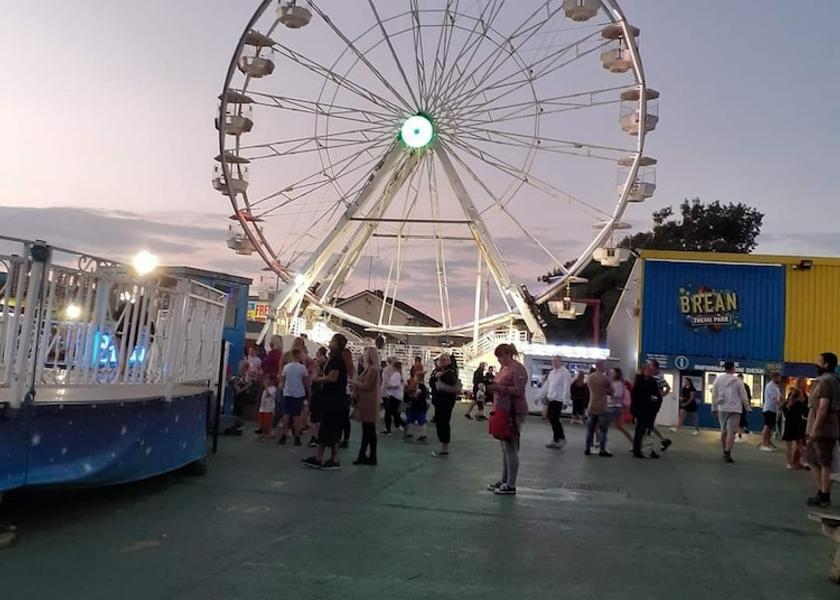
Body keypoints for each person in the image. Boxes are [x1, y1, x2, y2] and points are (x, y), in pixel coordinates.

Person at [302, 334, 349, 470]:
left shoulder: (336, 359)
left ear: (337, 343)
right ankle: (321, 457)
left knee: (329, 427)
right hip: (334, 398)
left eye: (333, 341)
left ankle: (331, 459)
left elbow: (332, 378)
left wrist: (318, 379)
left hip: (333, 399)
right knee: (328, 428)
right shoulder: (336, 358)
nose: (330, 342)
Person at [487, 344, 528, 495]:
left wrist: (500, 389)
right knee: (504, 448)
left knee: (510, 448)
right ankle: (504, 480)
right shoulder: (504, 369)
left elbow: (519, 390)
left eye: (500, 356)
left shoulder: (518, 369)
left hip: (514, 412)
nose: (498, 360)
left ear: (506, 354)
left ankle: (511, 484)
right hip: (502, 410)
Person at [804, 352, 840, 508]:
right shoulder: (823, 381)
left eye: (819, 362)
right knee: (812, 460)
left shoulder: (827, 382)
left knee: (824, 462)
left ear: (826, 365)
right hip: (817, 428)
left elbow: (823, 407)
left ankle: (824, 495)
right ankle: (822, 492)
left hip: (824, 429)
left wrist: (815, 430)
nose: (816, 364)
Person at [711, 361, 750, 464]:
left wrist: (713, 407)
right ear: (733, 368)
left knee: (723, 430)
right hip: (735, 409)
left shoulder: (718, 379)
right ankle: (728, 452)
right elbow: (743, 395)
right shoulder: (738, 380)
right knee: (731, 432)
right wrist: (747, 407)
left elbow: (714, 394)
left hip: (722, 408)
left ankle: (724, 451)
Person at [352, 347, 381, 466]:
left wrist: (354, 382)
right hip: (368, 402)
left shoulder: (372, 369)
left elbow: (366, 386)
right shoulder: (371, 369)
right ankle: (370, 455)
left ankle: (363, 455)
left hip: (368, 402)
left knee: (367, 431)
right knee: (370, 431)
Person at [278, 347, 310, 446]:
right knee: (297, 416)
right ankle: (297, 437)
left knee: (286, 414)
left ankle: (283, 436)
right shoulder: (302, 368)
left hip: (287, 393)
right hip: (298, 393)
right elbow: (306, 382)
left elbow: (282, 380)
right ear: (299, 356)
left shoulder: (287, 367)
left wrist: (284, 387)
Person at [539, 356, 571, 449]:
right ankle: (556, 439)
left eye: (556, 361)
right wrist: (539, 396)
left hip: (559, 400)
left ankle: (561, 438)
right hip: (551, 399)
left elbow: (566, 386)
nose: (554, 363)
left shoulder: (565, 373)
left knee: (554, 418)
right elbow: (546, 386)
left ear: (560, 361)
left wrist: (565, 400)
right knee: (551, 418)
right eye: (553, 361)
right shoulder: (552, 373)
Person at [431, 353, 459, 457]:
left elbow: (451, 382)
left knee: (443, 422)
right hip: (439, 401)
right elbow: (431, 382)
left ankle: (445, 447)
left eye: (444, 360)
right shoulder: (438, 371)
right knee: (440, 422)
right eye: (441, 360)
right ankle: (444, 445)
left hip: (446, 401)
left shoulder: (450, 372)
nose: (441, 362)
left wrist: (440, 377)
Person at [631, 364, 662, 459]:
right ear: (643, 371)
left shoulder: (653, 382)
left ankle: (649, 450)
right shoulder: (639, 382)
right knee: (640, 430)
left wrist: (655, 401)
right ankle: (637, 450)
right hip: (640, 410)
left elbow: (657, 395)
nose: (649, 371)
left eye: (651, 370)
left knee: (649, 431)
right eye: (647, 369)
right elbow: (635, 397)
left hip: (651, 410)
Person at [584, 361, 613, 457]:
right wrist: (606, 390)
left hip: (592, 405)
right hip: (602, 406)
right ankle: (602, 449)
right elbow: (612, 391)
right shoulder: (605, 379)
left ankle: (588, 448)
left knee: (590, 430)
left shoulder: (589, 378)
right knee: (603, 430)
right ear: (601, 366)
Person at [646, 359, 673, 452]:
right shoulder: (651, 376)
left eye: (651, 365)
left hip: (654, 403)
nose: (649, 367)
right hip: (649, 402)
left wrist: (660, 396)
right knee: (650, 423)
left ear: (656, 367)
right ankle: (664, 440)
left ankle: (650, 446)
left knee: (648, 424)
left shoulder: (659, 377)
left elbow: (668, 388)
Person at [782, 378, 808, 470]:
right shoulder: (801, 402)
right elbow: (805, 412)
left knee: (789, 445)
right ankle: (805, 461)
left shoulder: (789, 403)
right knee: (800, 444)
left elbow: (785, 410)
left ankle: (789, 463)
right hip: (798, 423)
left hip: (789, 423)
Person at [307, 346, 328, 447]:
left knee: (314, 417)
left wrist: (315, 375)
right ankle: (318, 437)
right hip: (322, 392)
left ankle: (314, 437)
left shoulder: (319, 364)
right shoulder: (325, 362)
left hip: (317, 392)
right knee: (319, 416)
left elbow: (315, 377)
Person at [609, 368, 634, 445]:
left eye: (612, 372)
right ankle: (634, 443)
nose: (611, 374)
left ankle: (600, 443)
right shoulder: (613, 383)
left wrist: (609, 393)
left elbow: (618, 395)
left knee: (603, 424)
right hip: (615, 406)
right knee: (620, 426)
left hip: (615, 407)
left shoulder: (619, 383)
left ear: (617, 374)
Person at [404, 373, 430, 443]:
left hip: (419, 407)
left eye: (415, 377)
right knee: (410, 419)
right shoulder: (418, 386)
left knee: (421, 420)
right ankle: (409, 433)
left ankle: (423, 435)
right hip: (416, 406)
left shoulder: (421, 387)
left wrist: (410, 394)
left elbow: (415, 396)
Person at [760, 372, 782, 451]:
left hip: (773, 409)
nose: (780, 379)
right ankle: (764, 444)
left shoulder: (776, 386)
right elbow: (774, 399)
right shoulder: (770, 386)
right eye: (779, 377)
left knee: (770, 427)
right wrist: (782, 405)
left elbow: (779, 397)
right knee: (767, 427)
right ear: (774, 378)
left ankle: (768, 444)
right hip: (769, 409)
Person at [382, 360, 405, 435]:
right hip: (397, 396)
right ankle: (403, 425)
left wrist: (388, 386)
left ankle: (388, 429)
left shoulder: (396, 374)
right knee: (395, 413)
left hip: (394, 396)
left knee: (388, 413)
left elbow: (396, 385)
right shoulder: (399, 374)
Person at [340, 345, 355, 448]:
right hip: (348, 394)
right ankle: (346, 438)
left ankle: (339, 437)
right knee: (345, 418)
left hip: (341, 393)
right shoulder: (352, 368)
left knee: (340, 417)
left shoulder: (341, 367)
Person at [734, 374, 752, 443]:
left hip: (742, 407)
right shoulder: (734, 386)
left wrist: (748, 406)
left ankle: (739, 435)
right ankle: (738, 433)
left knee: (740, 421)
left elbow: (748, 397)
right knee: (736, 421)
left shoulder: (746, 386)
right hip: (735, 406)